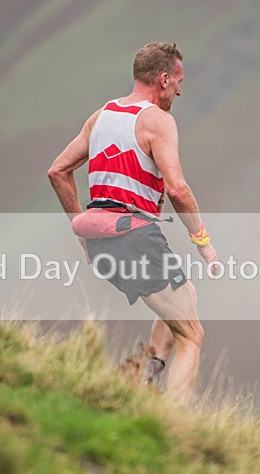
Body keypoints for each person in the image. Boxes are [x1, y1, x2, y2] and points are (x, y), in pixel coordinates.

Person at [47, 42, 217, 404]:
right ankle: (173, 422)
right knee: (192, 336)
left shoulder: (101, 116)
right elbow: (177, 188)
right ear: (164, 79)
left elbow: (58, 171)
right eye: (178, 81)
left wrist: (82, 231)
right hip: (135, 238)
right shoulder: (158, 121)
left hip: (102, 242)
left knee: (185, 295)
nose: (180, 91)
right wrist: (202, 241)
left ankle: (147, 374)